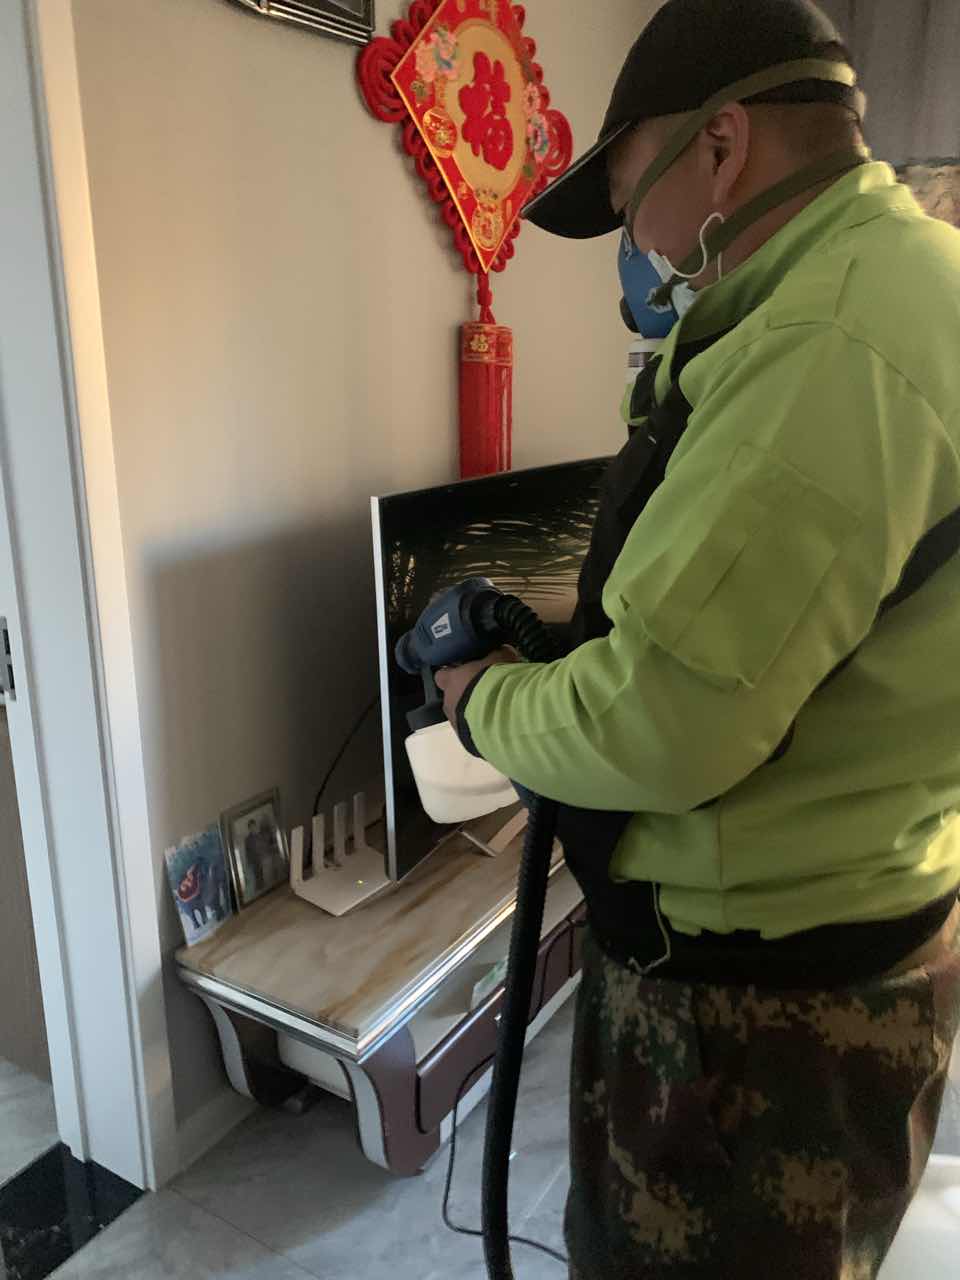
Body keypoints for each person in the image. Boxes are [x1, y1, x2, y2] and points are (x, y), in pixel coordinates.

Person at [435, 1, 960, 1276]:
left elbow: (657, 721)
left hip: (755, 1023)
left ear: (721, 148)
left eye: (631, 205)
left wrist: (481, 702)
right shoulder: (910, 275)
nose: (638, 251)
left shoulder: (827, 343)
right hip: (861, 928)